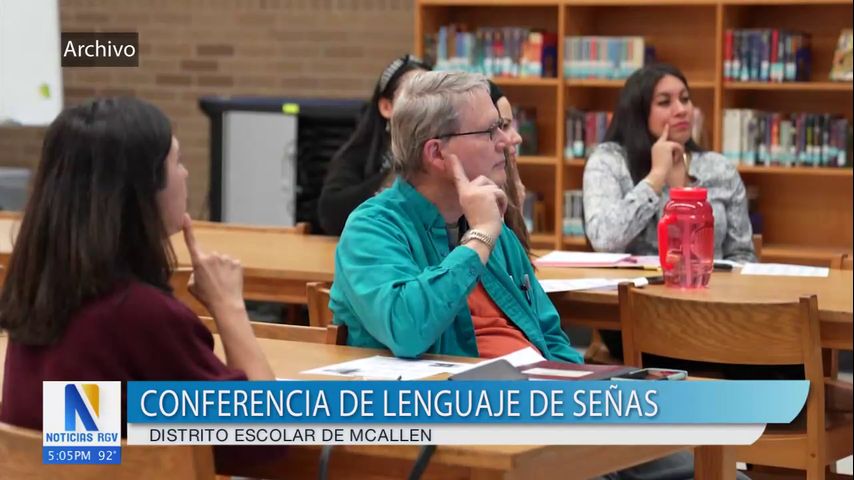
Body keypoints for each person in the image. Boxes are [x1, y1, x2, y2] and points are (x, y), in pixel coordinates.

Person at [0, 97, 284, 474]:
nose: (184, 175)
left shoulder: (44, 291)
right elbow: (266, 439)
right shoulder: (136, 314)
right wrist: (229, 305)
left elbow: (81, 442)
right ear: (142, 189)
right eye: (176, 161)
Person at [329, 70, 582, 363]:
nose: (506, 141)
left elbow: (550, 336)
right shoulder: (372, 229)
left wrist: (582, 393)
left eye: (501, 127)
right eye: (490, 131)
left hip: (534, 396)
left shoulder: (492, 228)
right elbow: (406, 330)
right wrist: (480, 238)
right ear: (436, 153)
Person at [583, 63, 756, 263]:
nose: (681, 110)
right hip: (633, 290)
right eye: (665, 102)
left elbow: (743, 255)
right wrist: (655, 177)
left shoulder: (719, 169)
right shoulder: (609, 161)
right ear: (638, 113)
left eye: (685, 99)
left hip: (709, 288)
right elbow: (603, 239)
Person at [318, 54, 431, 235]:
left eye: (432, 95)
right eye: (415, 96)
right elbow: (331, 215)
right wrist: (396, 174)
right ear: (387, 107)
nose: (425, 106)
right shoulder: (361, 151)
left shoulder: (446, 148)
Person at [488, 80, 530, 257]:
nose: (517, 137)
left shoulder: (509, 185)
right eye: (503, 125)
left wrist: (516, 208)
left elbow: (521, 275)